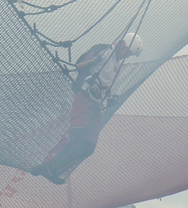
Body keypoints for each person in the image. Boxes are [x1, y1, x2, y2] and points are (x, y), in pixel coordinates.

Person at [32, 33, 144, 184]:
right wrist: (90, 81)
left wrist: (109, 98)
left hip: (96, 105)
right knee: (76, 134)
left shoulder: (117, 65)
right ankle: (46, 163)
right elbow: (81, 64)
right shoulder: (104, 50)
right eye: (128, 53)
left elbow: (105, 88)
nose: (127, 57)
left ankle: (54, 170)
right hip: (85, 97)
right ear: (123, 44)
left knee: (88, 146)